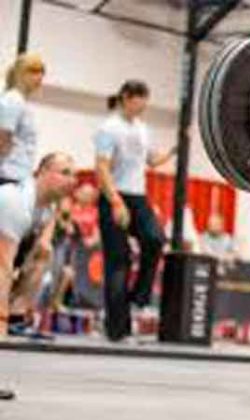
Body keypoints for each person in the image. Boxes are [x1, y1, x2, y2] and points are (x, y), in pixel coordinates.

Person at [94, 80, 176, 342]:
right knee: (119, 262)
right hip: (114, 195)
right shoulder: (109, 128)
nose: (143, 106)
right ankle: (117, 330)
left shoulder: (142, 128)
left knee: (155, 240)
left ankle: (137, 297)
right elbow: (102, 168)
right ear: (127, 98)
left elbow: (150, 160)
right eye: (140, 100)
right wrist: (116, 202)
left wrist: (175, 151)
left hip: (138, 196)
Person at [0, 153, 76, 339]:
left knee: (44, 254)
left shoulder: (46, 208)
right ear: (41, 172)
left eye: (73, 175)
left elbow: (39, 249)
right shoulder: (15, 201)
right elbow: (3, 266)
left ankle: (16, 319)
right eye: (64, 173)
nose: (71, 180)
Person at [0, 53, 45, 186]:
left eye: (42, 72)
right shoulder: (13, 100)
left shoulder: (22, 102)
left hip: (18, 174)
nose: (40, 77)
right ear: (21, 74)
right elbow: (2, 140)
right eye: (34, 72)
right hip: (8, 174)